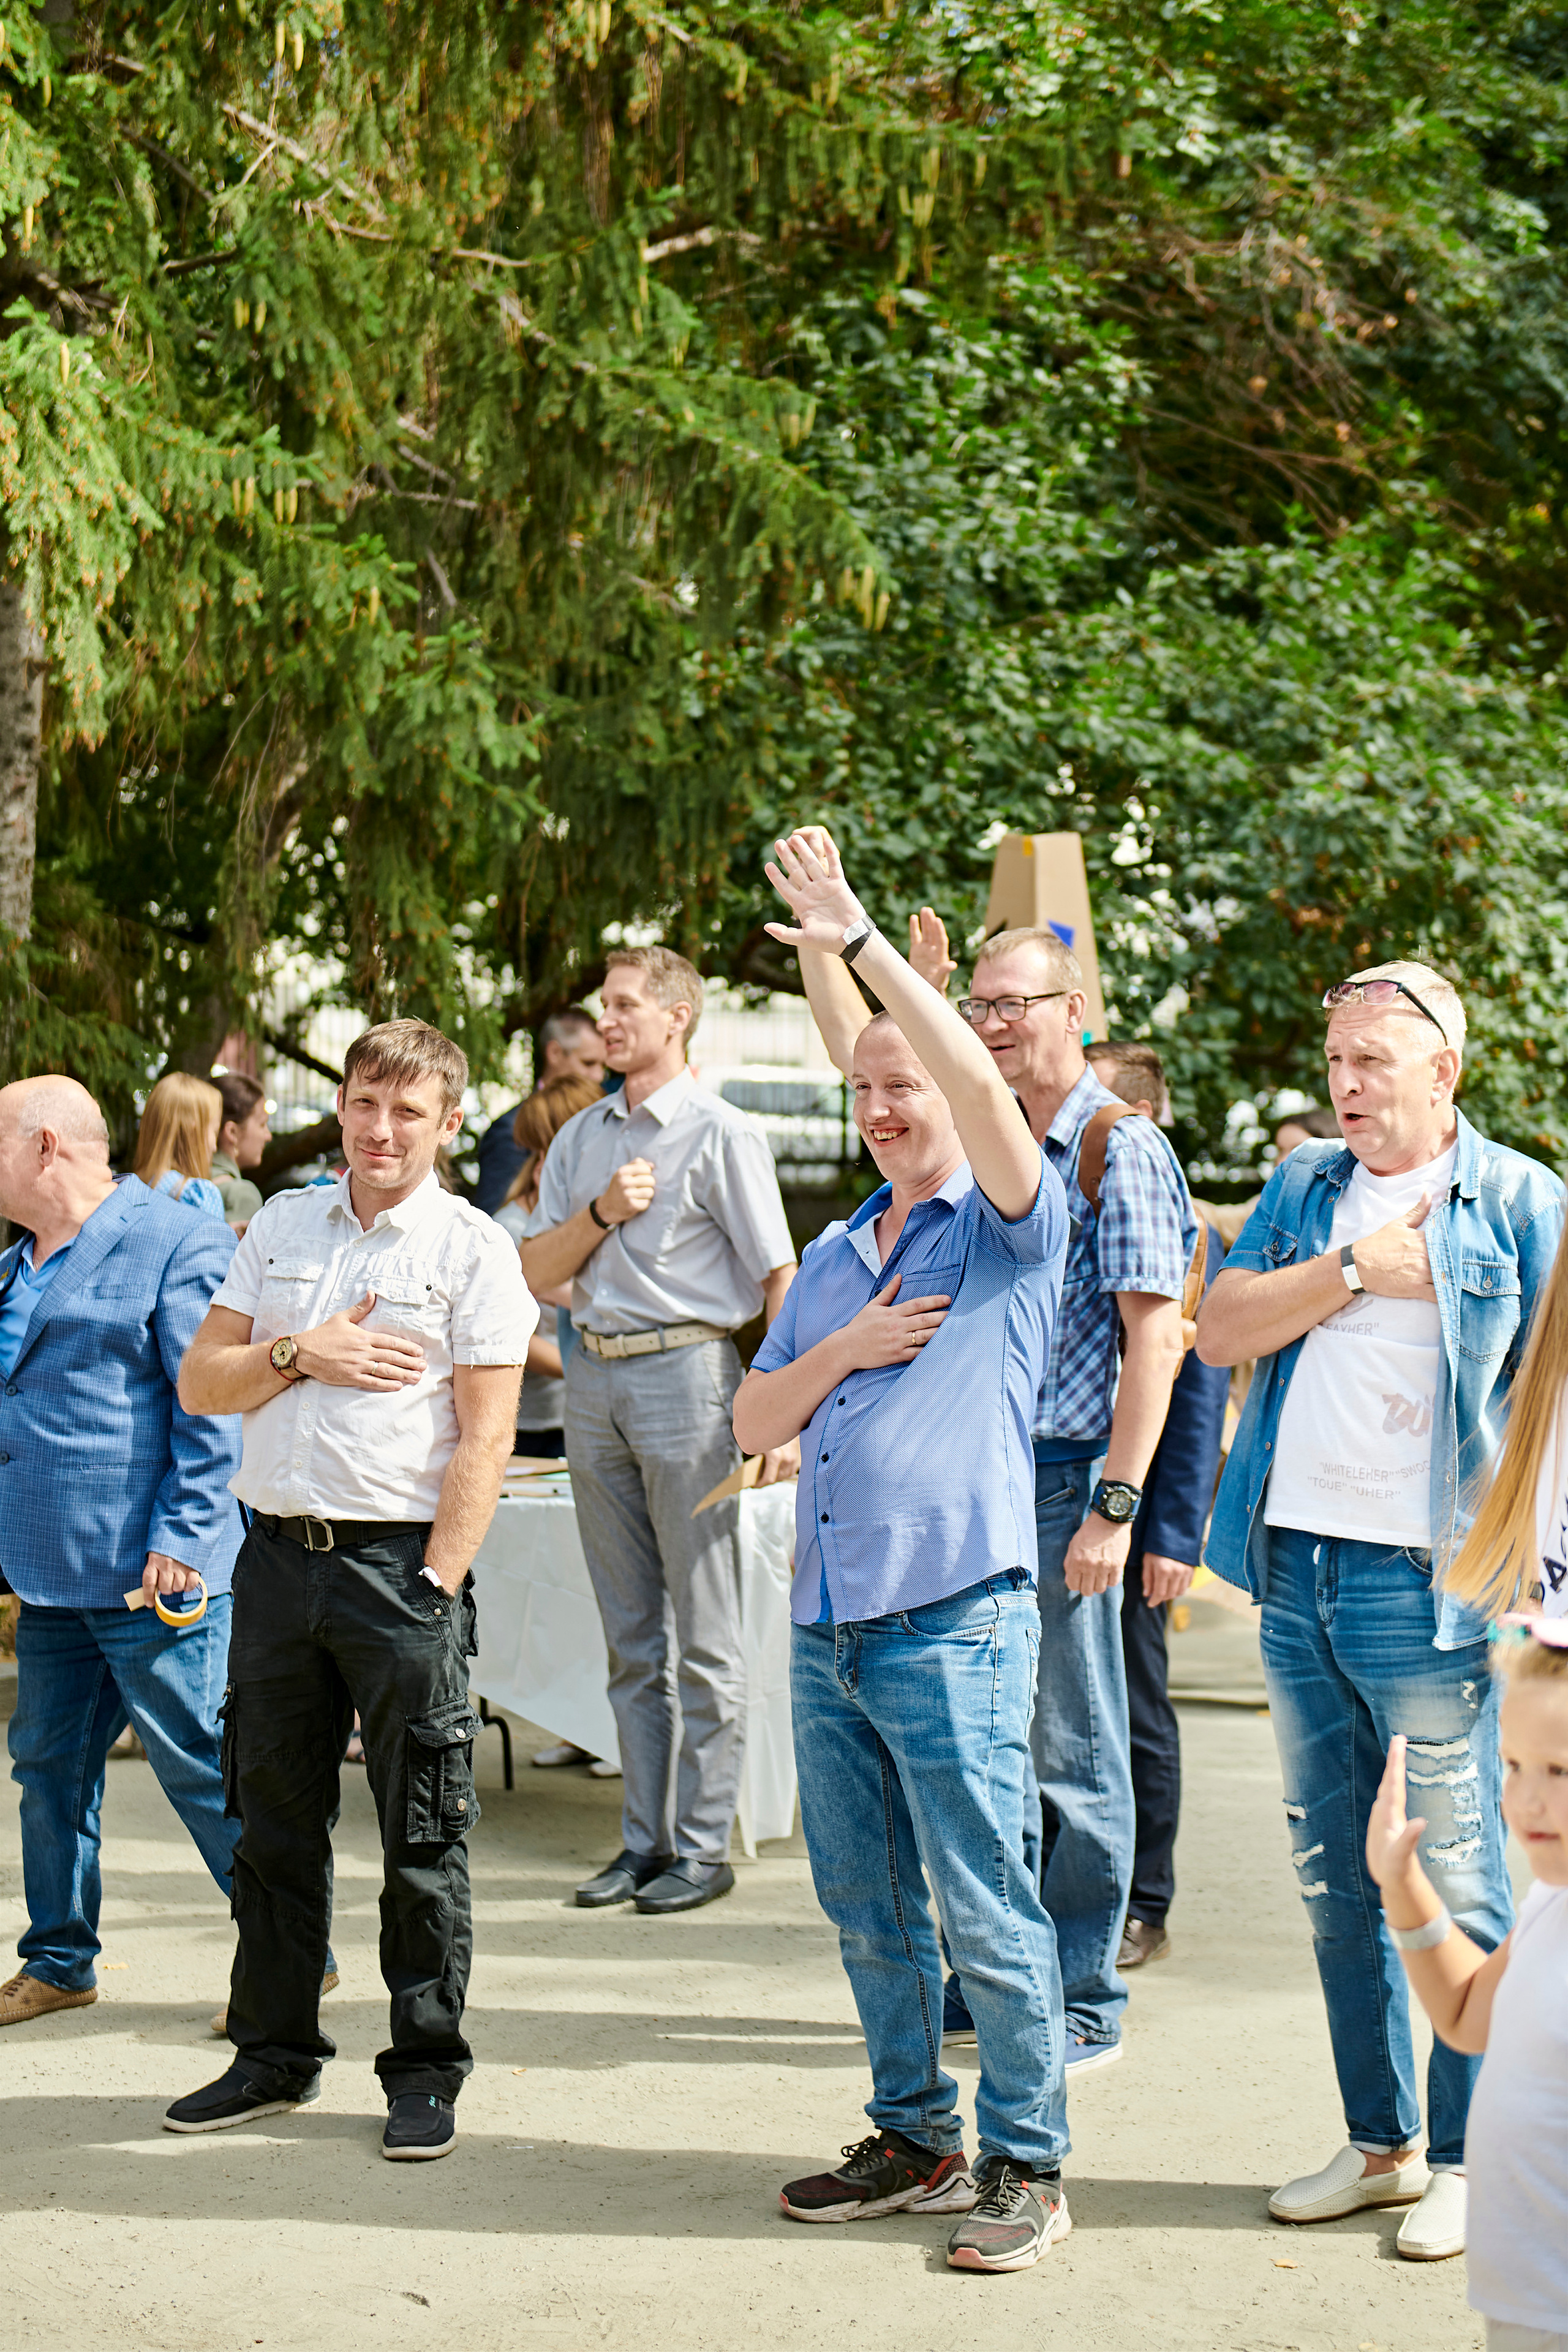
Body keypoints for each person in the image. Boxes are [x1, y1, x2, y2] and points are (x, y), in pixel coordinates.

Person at [737, 829, 1072, 2274]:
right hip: (826, 1623)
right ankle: (911, 2131)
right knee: (864, 1901)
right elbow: (751, 1414)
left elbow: (978, 1080)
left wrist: (854, 938)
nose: (880, 1105)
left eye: (902, 1084)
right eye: (861, 1088)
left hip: (954, 1619)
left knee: (984, 1903)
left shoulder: (1003, 1223)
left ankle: (1026, 2159)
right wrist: (850, 1349)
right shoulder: (831, 1256)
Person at [1198, 959, 1564, 2259]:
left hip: (1431, 1587)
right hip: (1293, 1570)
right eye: (1335, 1060)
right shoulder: (1305, 1189)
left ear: (1442, 1071)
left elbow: (1553, 1405)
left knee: (1455, 1875)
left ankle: (1467, 2159)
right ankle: (1379, 2147)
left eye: (1372, 1062)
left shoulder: (1522, 1201)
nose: (1345, 1085)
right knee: (1331, 1878)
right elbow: (1219, 1329)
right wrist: (1352, 1268)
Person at [806, 911, 1196, 2070]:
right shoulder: (987, 1140)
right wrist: (859, 964)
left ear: (1078, 1015)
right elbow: (864, 1052)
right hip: (976, 1481)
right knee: (987, 1754)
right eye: (977, 1006)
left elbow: (1157, 1340)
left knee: (1073, 1746)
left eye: (1012, 1005)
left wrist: (1117, 1507)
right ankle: (1000, 1976)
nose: (992, 1024)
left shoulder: (1115, 1147)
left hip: (1066, 1476)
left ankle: (1082, 1996)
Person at [164, 1018, 537, 2159]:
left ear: (447, 1123)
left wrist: (436, 1583)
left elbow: (485, 1438)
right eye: (366, 1105)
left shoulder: (475, 1249)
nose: (382, 1131)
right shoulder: (281, 1227)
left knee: (423, 1836)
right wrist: (299, 1354)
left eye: (408, 1113)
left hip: (398, 1574)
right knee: (272, 1825)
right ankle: (273, 2056)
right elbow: (199, 1382)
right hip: (275, 1565)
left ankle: (423, 2070)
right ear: (343, 1108)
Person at [520, 948, 797, 1917]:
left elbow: (780, 1279)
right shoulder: (582, 1140)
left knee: (707, 1629)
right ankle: (643, 1844)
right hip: (592, 1377)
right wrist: (602, 1212)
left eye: (628, 1005)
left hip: (690, 1374)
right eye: (606, 1007)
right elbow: (533, 1270)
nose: (610, 1021)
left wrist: (780, 1403)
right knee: (630, 1635)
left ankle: (703, 1845)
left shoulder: (722, 1134)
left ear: (678, 1017)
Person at [0, 1077, 243, 2029]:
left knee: (201, 1764)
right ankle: (59, 1959)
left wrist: (184, 1536)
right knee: (48, 1768)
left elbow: (209, 1403)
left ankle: (288, 1955)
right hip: (49, 1571)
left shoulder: (175, 1236)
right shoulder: (17, 1262)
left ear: (45, 1147)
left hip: (153, 1575)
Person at [1363, 1618, 1568, 2350]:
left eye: (1560, 1772)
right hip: (1522, 2301)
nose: (1526, 1800)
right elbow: (1464, 2015)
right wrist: (1402, 1884)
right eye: (1513, 1765)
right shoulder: (1551, 1899)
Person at [1085, 1041, 1230, 1970]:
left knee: (1138, 1711)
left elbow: (1198, 1388)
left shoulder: (1187, 1231)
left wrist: (1172, 1530)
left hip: (1140, 1520)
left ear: (1131, 1120)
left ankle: (1147, 1900)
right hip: (1064, 1499)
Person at [493, 1075, 602, 1463]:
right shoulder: (511, 1231)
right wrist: (595, 1369)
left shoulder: (588, 1219)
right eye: (539, 1156)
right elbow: (507, 1335)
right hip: (534, 1423)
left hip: (580, 1411)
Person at [474, 1008, 608, 1213]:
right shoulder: (512, 1130)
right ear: (554, 1052)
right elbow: (494, 1222)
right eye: (588, 1063)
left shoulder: (599, 1116)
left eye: (603, 1066)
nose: (598, 1076)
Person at [133, 1072, 228, 1221]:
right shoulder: (199, 1196)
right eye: (214, 1132)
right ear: (193, 1132)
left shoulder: (129, 1189)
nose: (215, 1147)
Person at [212, 1072, 271, 1232]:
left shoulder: (177, 1180)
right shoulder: (242, 1195)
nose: (268, 1136)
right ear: (232, 1132)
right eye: (262, 1124)